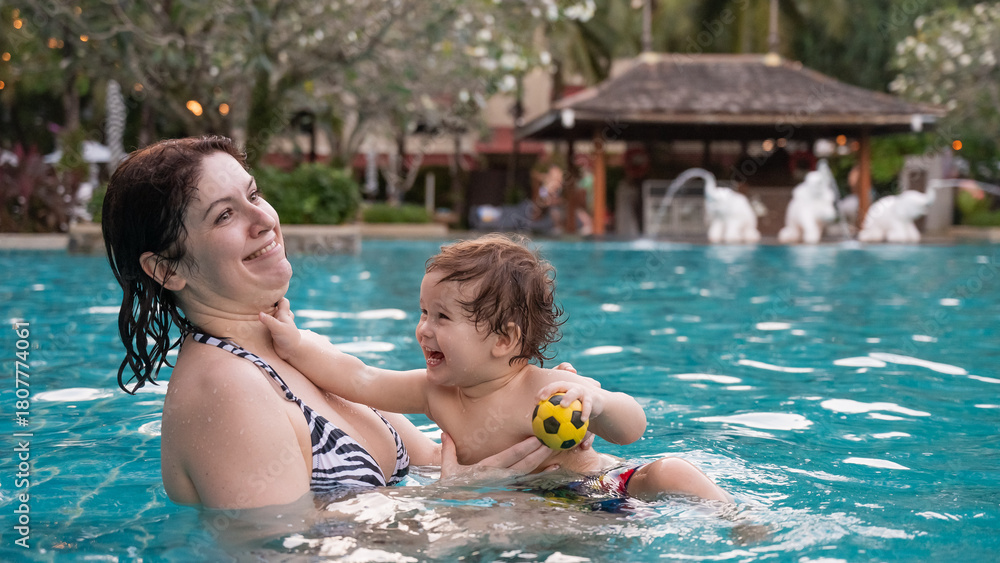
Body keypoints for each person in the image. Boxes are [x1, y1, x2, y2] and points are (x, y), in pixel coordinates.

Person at [101, 136, 565, 510]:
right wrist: (456, 500)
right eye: (225, 215)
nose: (263, 219)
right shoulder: (223, 390)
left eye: (254, 195)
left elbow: (435, 460)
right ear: (166, 270)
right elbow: (284, 549)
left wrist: (527, 416)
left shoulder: (299, 349)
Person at [261, 233, 733, 503]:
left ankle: (739, 521)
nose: (423, 329)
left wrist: (599, 402)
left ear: (504, 340)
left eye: (442, 317)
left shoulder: (548, 388)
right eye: (423, 312)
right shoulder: (433, 392)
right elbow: (360, 378)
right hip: (538, 509)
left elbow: (633, 429)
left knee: (672, 473)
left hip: (606, 487)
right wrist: (295, 345)